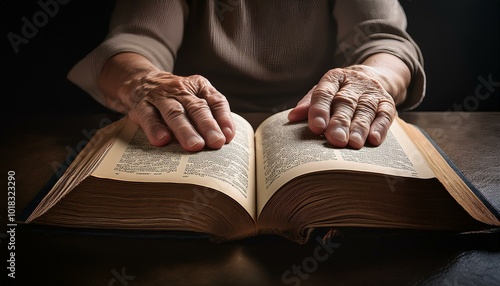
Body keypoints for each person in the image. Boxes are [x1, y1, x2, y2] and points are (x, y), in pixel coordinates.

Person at [68, 0, 425, 152]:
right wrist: (145, 82)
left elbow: (384, 41)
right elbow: (135, 41)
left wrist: (372, 77)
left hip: (316, 132)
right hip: (196, 132)